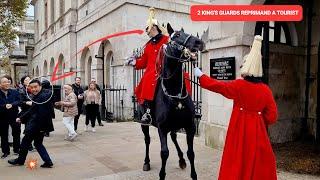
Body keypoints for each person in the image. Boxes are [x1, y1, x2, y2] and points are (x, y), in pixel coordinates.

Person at [194, 35, 278, 180]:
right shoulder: (266, 90)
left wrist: (201, 76)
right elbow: (272, 117)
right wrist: (257, 118)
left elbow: (218, 86)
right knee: (257, 164)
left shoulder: (239, 86)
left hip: (239, 131)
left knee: (237, 161)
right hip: (258, 134)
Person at [125, 7, 192, 125]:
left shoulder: (167, 39)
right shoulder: (149, 45)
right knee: (146, 83)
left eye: (147, 29)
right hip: (152, 72)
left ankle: (188, 108)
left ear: (153, 27)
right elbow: (144, 62)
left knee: (181, 81)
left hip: (168, 70)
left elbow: (177, 48)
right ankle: (148, 112)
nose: (146, 32)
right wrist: (133, 62)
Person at [8, 79, 54, 168]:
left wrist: (22, 118)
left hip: (37, 125)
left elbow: (37, 112)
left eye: (35, 87)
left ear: (40, 86)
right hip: (39, 124)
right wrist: (21, 118)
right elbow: (32, 110)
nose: (33, 89)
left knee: (25, 142)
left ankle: (20, 160)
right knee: (38, 144)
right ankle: (48, 162)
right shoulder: (41, 95)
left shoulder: (42, 97)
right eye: (31, 87)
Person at [0, 76, 21, 158]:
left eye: (8, 82)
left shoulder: (15, 92)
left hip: (14, 115)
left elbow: (19, 101)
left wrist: (12, 104)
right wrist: (4, 106)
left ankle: (17, 149)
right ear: (0, 84)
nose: (7, 83)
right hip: (2, 117)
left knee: (16, 133)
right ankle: (5, 151)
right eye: (4, 82)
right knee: (3, 134)